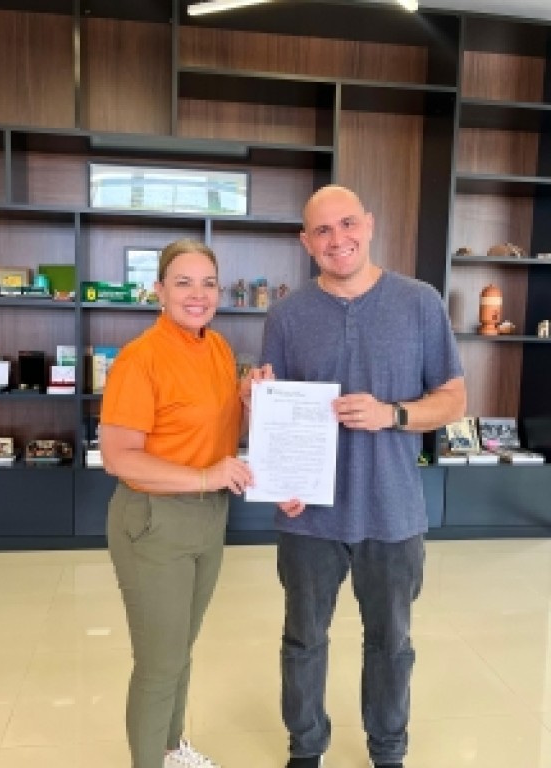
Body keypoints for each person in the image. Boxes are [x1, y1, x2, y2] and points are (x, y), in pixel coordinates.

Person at [259, 185, 466, 768]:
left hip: (393, 510)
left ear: (369, 225)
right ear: (306, 242)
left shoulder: (420, 302)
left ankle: (388, 752)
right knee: (303, 641)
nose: (337, 239)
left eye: (347, 223)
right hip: (308, 516)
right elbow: (277, 411)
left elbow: (453, 399)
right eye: (322, 231)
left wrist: (391, 415)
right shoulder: (287, 315)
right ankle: (306, 749)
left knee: (391, 644)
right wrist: (262, 416)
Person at [99, 238, 254, 768]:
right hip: (155, 521)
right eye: (183, 282)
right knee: (159, 663)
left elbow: (219, 430)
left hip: (209, 515)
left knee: (180, 648)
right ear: (159, 290)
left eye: (208, 283)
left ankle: (169, 749)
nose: (197, 294)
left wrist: (252, 402)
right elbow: (119, 457)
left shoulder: (219, 348)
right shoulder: (140, 359)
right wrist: (205, 475)